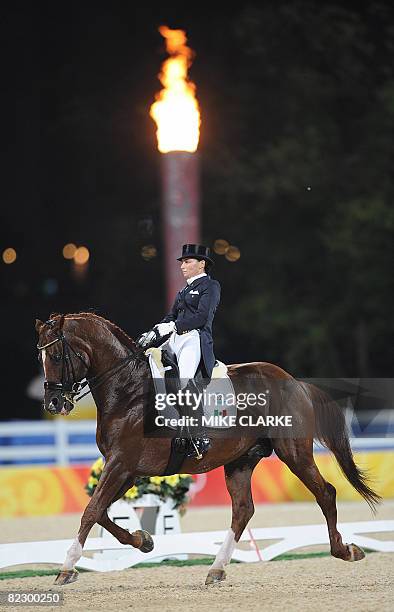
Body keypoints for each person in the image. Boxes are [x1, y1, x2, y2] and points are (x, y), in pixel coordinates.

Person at [139, 244, 221, 459]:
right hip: (175, 338)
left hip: (194, 338)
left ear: (201, 264)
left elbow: (202, 317)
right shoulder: (183, 291)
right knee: (148, 364)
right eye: (182, 262)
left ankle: (199, 434)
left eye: (188, 261)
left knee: (184, 381)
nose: (183, 266)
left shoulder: (210, 286)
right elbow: (170, 316)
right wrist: (155, 331)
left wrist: (174, 326)